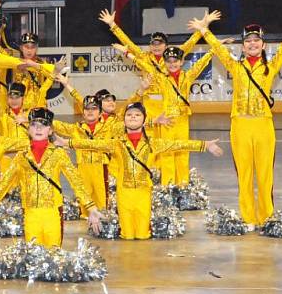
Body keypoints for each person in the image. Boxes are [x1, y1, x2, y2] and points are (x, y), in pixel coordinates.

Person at [188, 7, 282, 229]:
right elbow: (218, 50)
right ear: (243, 46)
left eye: (257, 41)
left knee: (265, 175)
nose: (253, 44)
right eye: (248, 41)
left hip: (263, 125)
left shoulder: (270, 66)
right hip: (240, 125)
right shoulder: (236, 67)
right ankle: (247, 218)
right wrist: (204, 31)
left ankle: (267, 217)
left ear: (263, 45)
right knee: (244, 175)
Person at [62, 102, 223, 240]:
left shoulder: (153, 143)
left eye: (137, 115)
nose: (133, 117)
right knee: (127, 234)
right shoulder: (116, 143)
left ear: (144, 119)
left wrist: (204, 145)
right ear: (123, 120)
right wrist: (66, 142)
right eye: (129, 115)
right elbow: (91, 144)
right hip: (124, 193)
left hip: (143, 192)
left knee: (141, 234)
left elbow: (179, 144)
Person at [0, 108, 103, 247]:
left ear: (51, 130)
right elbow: (3, 184)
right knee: (34, 257)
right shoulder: (21, 157)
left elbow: (77, 183)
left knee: (54, 256)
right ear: (28, 129)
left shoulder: (59, 154)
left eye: (44, 124)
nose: (39, 128)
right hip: (30, 214)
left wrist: (91, 208)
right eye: (34, 124)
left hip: (53, 213)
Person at [118, 44, 214, 186]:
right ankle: (167, 186)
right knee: (167, 153)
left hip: (183, 120)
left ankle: (183, 185)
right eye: (169, 61)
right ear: (165, 63)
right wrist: (127, 53)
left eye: (175, 61)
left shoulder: (188, 76)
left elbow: (201, 63)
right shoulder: (161, 78)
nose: (172, 64)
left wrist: (214, 48)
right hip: (167, 121)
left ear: (181, 62)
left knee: (183, 151)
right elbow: (144, 64)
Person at [98, 8, 202, 133]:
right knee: (151, 134)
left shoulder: (172, 58)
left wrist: (202, 29)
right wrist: (112, 25)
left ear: (166, 45)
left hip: (167, 103)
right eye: (153, 44)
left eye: (160, 44)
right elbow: (128, 43)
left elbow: (190, 43)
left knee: (167, 136)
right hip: (149, 102)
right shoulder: (144, 57)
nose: (156, 47)